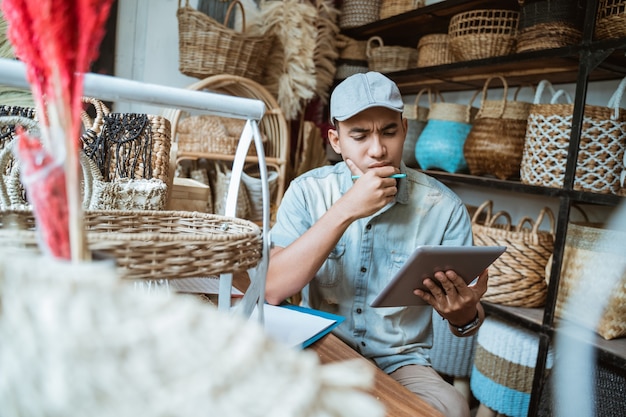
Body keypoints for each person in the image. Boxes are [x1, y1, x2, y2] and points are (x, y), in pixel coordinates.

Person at [265, 71, 487, 417]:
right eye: (359, 135)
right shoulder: (308, 191)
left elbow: (466, 319)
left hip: (401, 362)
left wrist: (463, 315)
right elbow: (272, 289)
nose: (378, 150)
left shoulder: (443, 207)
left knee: (452, 406)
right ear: (336, 141)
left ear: (405, 129)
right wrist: (345, 210)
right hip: (322, 347)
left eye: (389, 131)